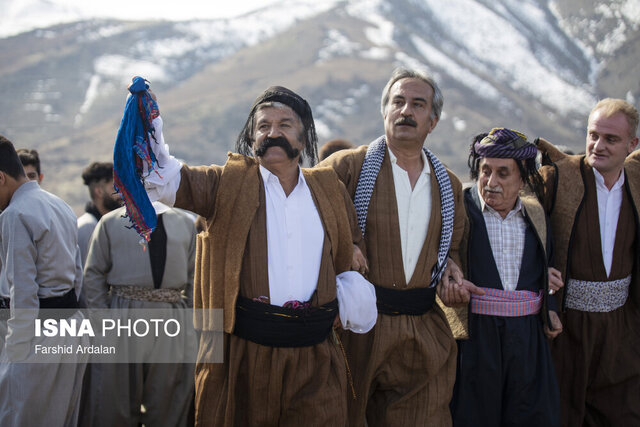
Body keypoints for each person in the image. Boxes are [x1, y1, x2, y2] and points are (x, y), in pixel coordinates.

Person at [114, 78, 376, 425]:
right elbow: (165, 177)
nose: (272, 133)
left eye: (285, 125)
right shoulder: (227, 184)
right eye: (263, 126)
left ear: (304, 135)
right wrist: (148, 121)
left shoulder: (328, 188)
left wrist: (346, 295)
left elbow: (349, 253)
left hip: (316, 356)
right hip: (247, 356)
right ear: (252, 138)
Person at [318, 67, 466, 426]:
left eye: (418, 104)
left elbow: (454, 246)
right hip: (357, 329)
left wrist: (453, 269)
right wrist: (346, 246)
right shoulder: (346, 167)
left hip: (423, 330)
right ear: (384, 111)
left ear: (432, 121)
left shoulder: (449, 184)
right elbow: (308, 223)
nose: (406, 111)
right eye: (398, 102)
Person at [537, 98, 640, 425]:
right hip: (566, 330)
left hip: (622, 332)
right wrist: (538, 273)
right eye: (593, 135)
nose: (598, 145)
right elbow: (523, 220)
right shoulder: (557, 178)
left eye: (611, 139)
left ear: (631, 144)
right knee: (562, 414)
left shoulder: (637, 182)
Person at [450, 128, 563, 426]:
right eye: (485, 171)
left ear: (523, 179)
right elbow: (443, 257)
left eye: (503, 173)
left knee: (529, 414)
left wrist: (550, 308)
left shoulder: (536, 216)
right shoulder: (460, 210)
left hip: (527, 340)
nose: (491, 182)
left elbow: (546, 268)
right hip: (475, 339)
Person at [80, 201, 196, 427]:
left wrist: (187, 316)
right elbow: (93, 274)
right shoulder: (111, 222)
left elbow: (195, 276)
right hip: (124, 314)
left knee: (167, 396)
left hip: (171, 317)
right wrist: (104, 320)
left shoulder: (184, 223)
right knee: (116, 398)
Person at [0, 135, 87, 426]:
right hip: (72, 326)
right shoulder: (60, 205)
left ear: (0, 178)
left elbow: (23, 291)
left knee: (21, 417)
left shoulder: (15, 214)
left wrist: (16, 351)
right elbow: (76, 275)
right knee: (61, 418)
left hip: (38, 334)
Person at [77, 161, 122, 266]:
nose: (121, 194)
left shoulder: (110, 224)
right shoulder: (87, 227)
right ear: (99, 192)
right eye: (115, 188)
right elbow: (86, 275)